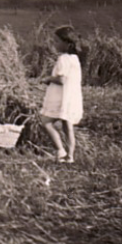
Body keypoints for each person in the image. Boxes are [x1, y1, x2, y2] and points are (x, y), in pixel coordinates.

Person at [40, 26, 84, 163]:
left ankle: (60, 150)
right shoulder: (75, 59)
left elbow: (61, 79)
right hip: (71, 97)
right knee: (67, 125)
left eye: (57, 41)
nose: (55, 44)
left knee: (45, 122)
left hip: (61, 97)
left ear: (67, 43)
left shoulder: (63, 59)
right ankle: (70, 156)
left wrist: (47, 79)